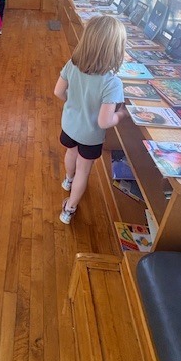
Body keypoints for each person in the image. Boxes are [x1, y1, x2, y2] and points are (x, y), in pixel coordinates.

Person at [54, 15, 128, 224]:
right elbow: (105, 122)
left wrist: (74, 103)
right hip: (90, 135)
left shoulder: (72, 64)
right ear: (116, 49)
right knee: (84, 170)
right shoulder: (112, 83)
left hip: (69, 126)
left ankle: (68, 180)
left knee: (71, 152)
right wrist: (121, 114)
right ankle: (69, 210)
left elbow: (58, 91)